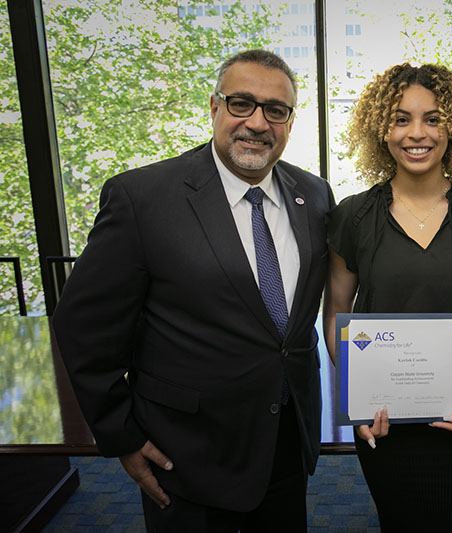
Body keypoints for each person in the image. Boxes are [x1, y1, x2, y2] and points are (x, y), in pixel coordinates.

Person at [53, 49, 334, 531]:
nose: (257, 122)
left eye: (275, 110)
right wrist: (120, 436)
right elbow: (83, 327)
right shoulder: (142, 198)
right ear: (214, 107)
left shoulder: (315, 195)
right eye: (242, 103)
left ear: (289, 121)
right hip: (185, 454)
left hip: (285, 440)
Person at [323, 63, 452, 531]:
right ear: (380, 129)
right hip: (383, 416)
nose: (417, 133)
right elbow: (336, 314)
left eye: (433, 118)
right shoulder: (352, 217)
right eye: (400, 118)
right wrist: (357, 400)